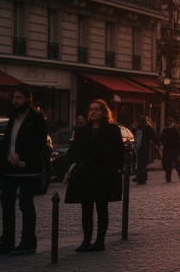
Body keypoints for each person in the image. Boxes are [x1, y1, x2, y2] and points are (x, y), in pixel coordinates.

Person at [0, 85, 49, 255]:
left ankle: (28, 241)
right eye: (13, 97)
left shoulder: (36, 118)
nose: (15, 101)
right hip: (10, 167)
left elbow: (39, 143)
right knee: (6, 204)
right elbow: (8, 140)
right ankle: (6, 241)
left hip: (28, 168)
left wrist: (20, 154)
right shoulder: (12, 118)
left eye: (19, 97)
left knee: (25, 204)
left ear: (28, 99)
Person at [64, 100, 124, 252]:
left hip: (103, 174)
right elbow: (74, 152)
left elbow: (118, 151)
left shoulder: (112, 129)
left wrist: (113, 168)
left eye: (97, 109)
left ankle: (100, 241)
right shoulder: (82, 131)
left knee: (102, 208)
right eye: (91, 109)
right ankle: (86, 240)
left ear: (104, 112)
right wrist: (71, 167)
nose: (93, 112)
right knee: (86, 209)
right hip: (86, 174)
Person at [131, 116, 155, 185]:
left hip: (139, 148)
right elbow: (153, 136)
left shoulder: (138, 128)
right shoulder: (147, 128)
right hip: (144, 148)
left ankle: (141, 177)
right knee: (142, 163)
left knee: (140, 163)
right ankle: (142, 177)